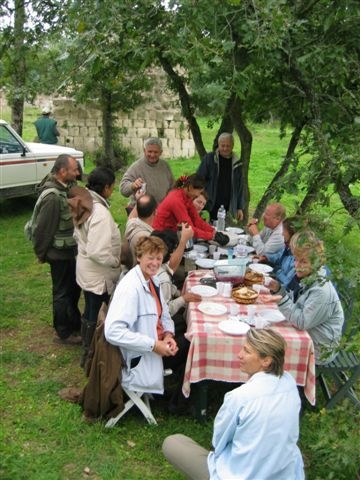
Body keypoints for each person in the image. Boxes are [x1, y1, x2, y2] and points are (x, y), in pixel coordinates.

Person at [162, 328, 304, 480]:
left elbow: (218, 441)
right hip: (287, 473)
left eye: (247, 351)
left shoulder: (239, 397)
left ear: (266, 361)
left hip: (241, 475)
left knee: (172, 442)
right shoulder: (290, 384)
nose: (239, 355)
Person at [105, 236, 186, 395]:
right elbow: (112, 332)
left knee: (185, 328)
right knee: (192, 345)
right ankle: (179, 401)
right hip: (141, 355)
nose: (155, 263)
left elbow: (163, 315)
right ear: (139, 257)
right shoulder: (130, 289)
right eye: (150, 258)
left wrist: (168, 335)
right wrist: (154, 345)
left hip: (155, 341)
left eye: (158, 258)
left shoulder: (152, 279)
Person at [268, 230, 344, 365]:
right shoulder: (308, 277)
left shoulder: (321, 291)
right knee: (265, 330)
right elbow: (294, 303)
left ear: (318, 262)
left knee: (267, 347)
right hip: (306, 335)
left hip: (318, 350)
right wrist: (279, 290)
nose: (296, 265)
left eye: (303, 261)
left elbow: (301, 322)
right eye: (296, 259)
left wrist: (281, 299)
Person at [72, 167, 122, 367]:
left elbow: (78, 236)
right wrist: (115, 261)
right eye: (112, 187)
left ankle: (88, 349)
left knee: (90, 309)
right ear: (107, 188)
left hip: (86, 268)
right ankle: (91, 354)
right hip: (97, 273)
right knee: (96, 313)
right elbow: (97, 251)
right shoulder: (99, 213)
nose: (113, 190)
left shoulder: (84, 200)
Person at [32, 154, 81, 344]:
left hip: (68, 252)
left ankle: (72, 322)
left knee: (73, 289)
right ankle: (63, 332)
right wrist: (41, 253)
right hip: (58, 255)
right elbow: (43, 230)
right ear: (62, 172)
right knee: (61, 293)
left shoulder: (64, 188)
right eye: (74, 169)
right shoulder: (52, 197)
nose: (78, 172)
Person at [152, 174, 229, 245]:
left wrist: (213, 231)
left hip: (170, 233)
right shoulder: (176, 200)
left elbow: (197, 220)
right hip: (160, 236)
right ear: (191, 188)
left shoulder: (186, 196)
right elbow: (189, 228)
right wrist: (212, 236)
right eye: (199, 192)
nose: (199, 195)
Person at [196, 132, 246, 222]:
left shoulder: (237, 163)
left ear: (232, 146)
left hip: (228, 207)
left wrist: (239, 207)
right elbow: (199, 179)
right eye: (223, 145)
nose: (225, 148)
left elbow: (240, 187)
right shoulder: (209, 159)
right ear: (218, 145)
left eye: (228, 146)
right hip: (209, 204)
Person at [119, 137, 174, 212]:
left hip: (161, 211)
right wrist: (132, 185)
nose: (152, 155)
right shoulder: (136, 167)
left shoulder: (165, 166)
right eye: (150, 151)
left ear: (161, 152)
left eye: (155, 152)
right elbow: (123, 189)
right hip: (141, 212)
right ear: (144, 151)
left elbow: (172, 187)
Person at [125, 194, 157, 263]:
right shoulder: (148, 239)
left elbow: (131, 216)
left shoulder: (131, 224)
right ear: (155, 212)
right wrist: (183, 241)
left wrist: (138, 200)